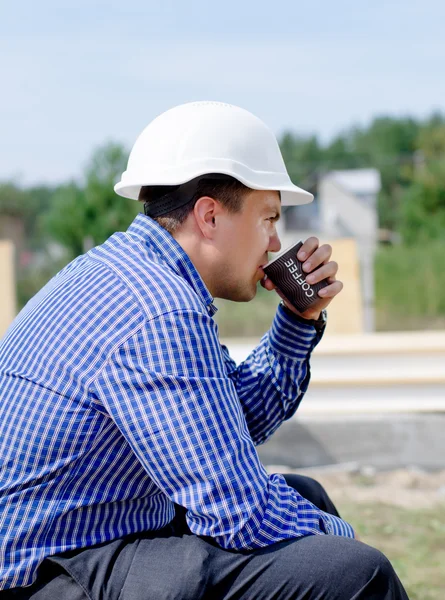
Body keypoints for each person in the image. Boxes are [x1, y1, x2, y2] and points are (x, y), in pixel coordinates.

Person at [0, 101, 408, 599]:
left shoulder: (129, 274)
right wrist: (344, 538)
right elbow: (237, 511)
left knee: (307, 500)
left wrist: (297, 320)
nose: (276, 241)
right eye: (268, 218)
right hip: (47, 577)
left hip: (83, 544)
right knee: (358, 574)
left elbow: (227, 423)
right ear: (210, 216)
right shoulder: (158, 308)